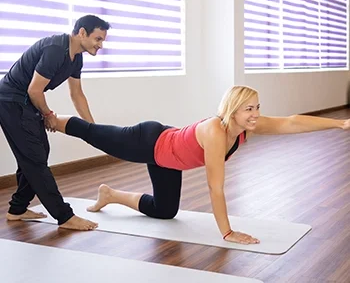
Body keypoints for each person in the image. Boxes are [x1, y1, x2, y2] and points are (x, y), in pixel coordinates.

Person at [53, 85, 350, 242]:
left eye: (257, 107)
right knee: (92, 133)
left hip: (167, 159)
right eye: (249, 108)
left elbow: (291, 122)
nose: (255, 114)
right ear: (232, 110)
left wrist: (340, 124)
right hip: (148, 140)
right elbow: (215, 188)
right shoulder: (215, 131)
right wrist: (227, 232)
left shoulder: (247, 125)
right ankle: (49, 119)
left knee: (164, 211)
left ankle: (111, 195)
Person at [0, 14, 110, 230]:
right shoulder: (55, 49)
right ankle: (64, 216)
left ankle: (17, 209)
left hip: (25, 101)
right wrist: (48, 114)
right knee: (35, 158)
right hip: (11, 101)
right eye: (98, 39)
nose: (100, 45)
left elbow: (77, 94)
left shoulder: (76, 57)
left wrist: (92, 128)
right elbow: (34, 90)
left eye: (103, 40)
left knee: (36, 153)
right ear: (81, 33)